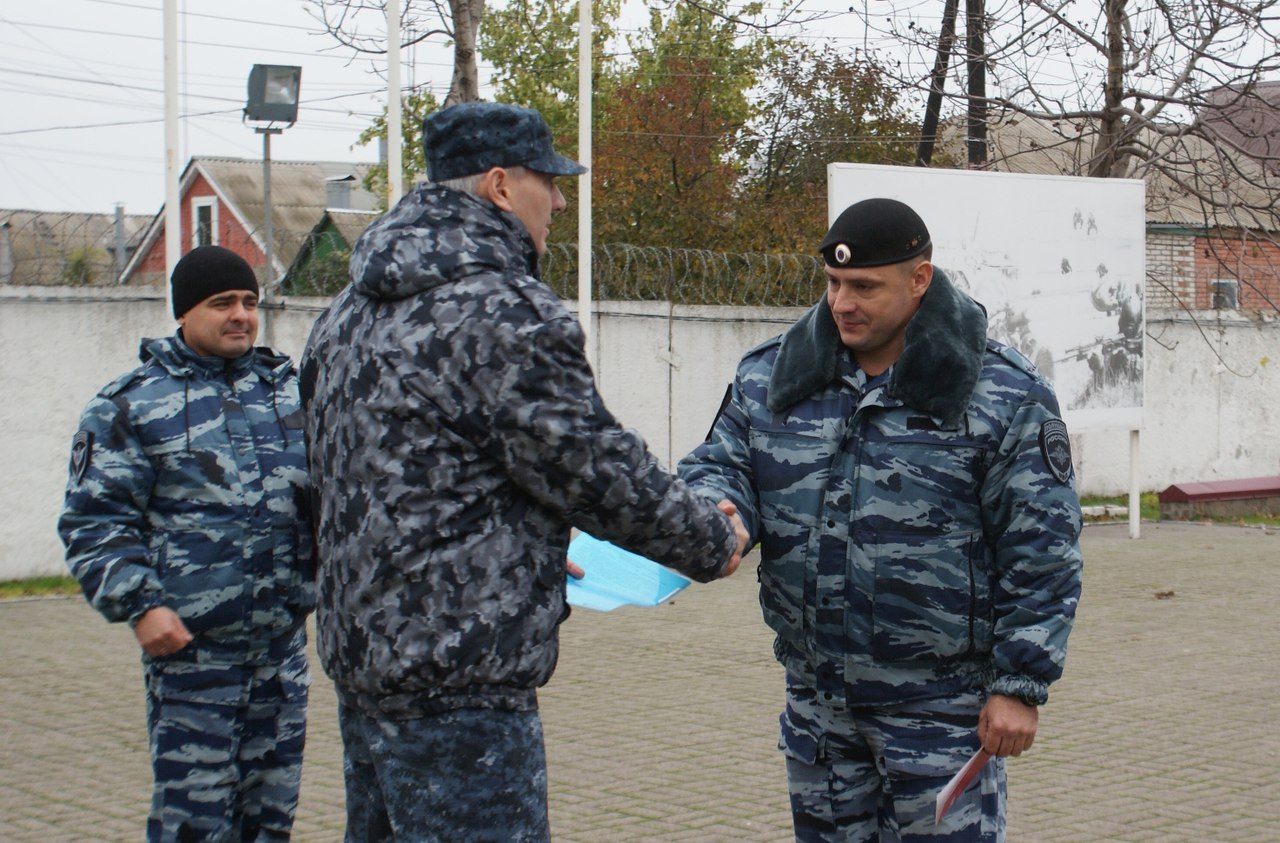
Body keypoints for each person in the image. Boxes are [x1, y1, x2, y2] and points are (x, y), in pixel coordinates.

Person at [299, 100, 748, 842]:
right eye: (550, 180)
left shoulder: (348, 311)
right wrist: (709, 538)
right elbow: (591, 464)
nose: (562, 200)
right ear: (501, 186)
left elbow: (381, 483)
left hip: (366, 671)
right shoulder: (502, 309)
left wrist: (519, 545)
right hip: (461, 688)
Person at [678, 198, 1084, 842]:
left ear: (919, 279)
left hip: (941, 712)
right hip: (818, 704)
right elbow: (721, 467)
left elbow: (1043, 547)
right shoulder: (772, 377)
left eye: (865, 286)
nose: (842, 302)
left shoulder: (1000, 392)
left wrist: (1020, 683)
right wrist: (715, 514)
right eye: (834, 284)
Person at [57, 245, 316, 842]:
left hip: (280, 655)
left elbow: (347, 496)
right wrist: (140, 606)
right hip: (194, 661)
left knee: (269, 823)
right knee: (193, 826)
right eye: (222, 302)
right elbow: (94, 522)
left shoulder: (289, 394)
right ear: (183, 312)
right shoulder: (130, 404)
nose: (241, 316)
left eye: (250, 302)